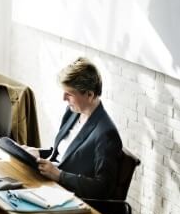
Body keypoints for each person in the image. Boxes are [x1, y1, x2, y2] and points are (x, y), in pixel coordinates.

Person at [23, 57, 124, 199]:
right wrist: (38, 153)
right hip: (53, 188)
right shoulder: (73, 112)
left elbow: (103, 188)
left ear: (89, 95)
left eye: (69, 94)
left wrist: (60, 176)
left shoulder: (106, 134)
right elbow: (65, 154)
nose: (63, 98)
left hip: (72, 198)